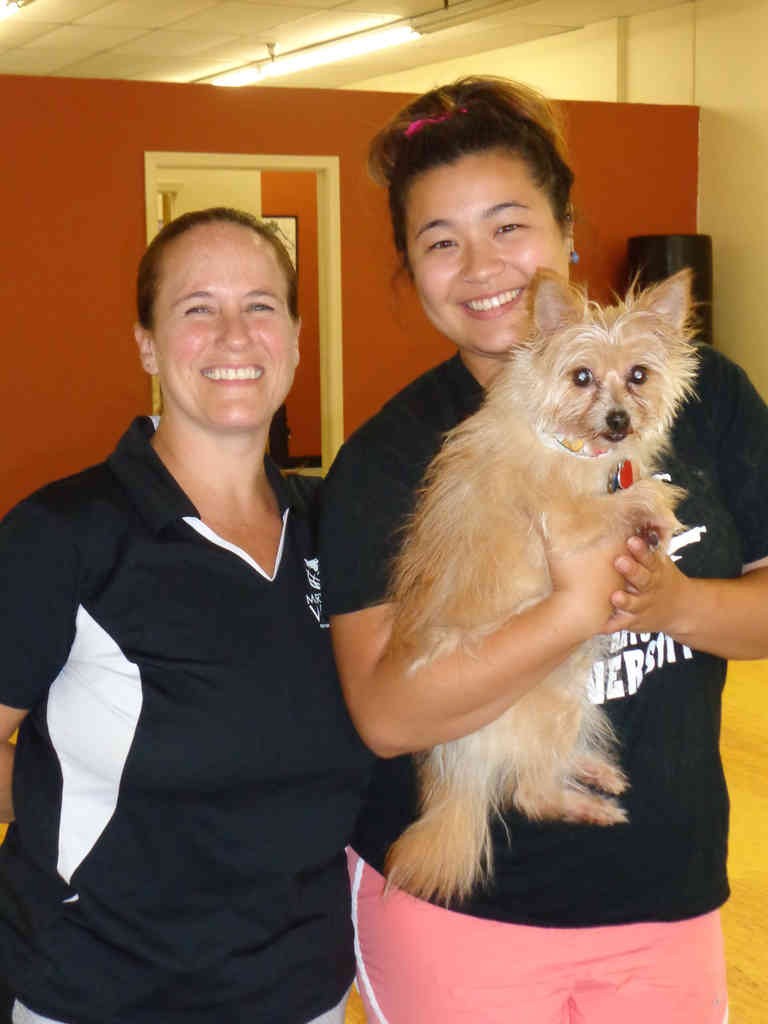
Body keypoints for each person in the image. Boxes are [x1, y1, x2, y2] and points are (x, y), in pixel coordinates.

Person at [319, 77, 768, 1024]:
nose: (483, 267)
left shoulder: (700, 398)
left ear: (567, 232)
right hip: (464, 910)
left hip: (668, 891)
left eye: (508, 225)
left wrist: (677, 602)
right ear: (409, 269)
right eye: (440, 241)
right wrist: (571, 607)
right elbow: (387, 718)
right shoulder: (386, 460)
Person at [0, 207, 371, 1024]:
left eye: (261, 306)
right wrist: (78, 833)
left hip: (298, 988)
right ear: (146, 343)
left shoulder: (336, 527)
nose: (234, 336)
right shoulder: (65, 533)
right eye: (198, 308)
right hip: (100, 989)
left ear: (298, 337)